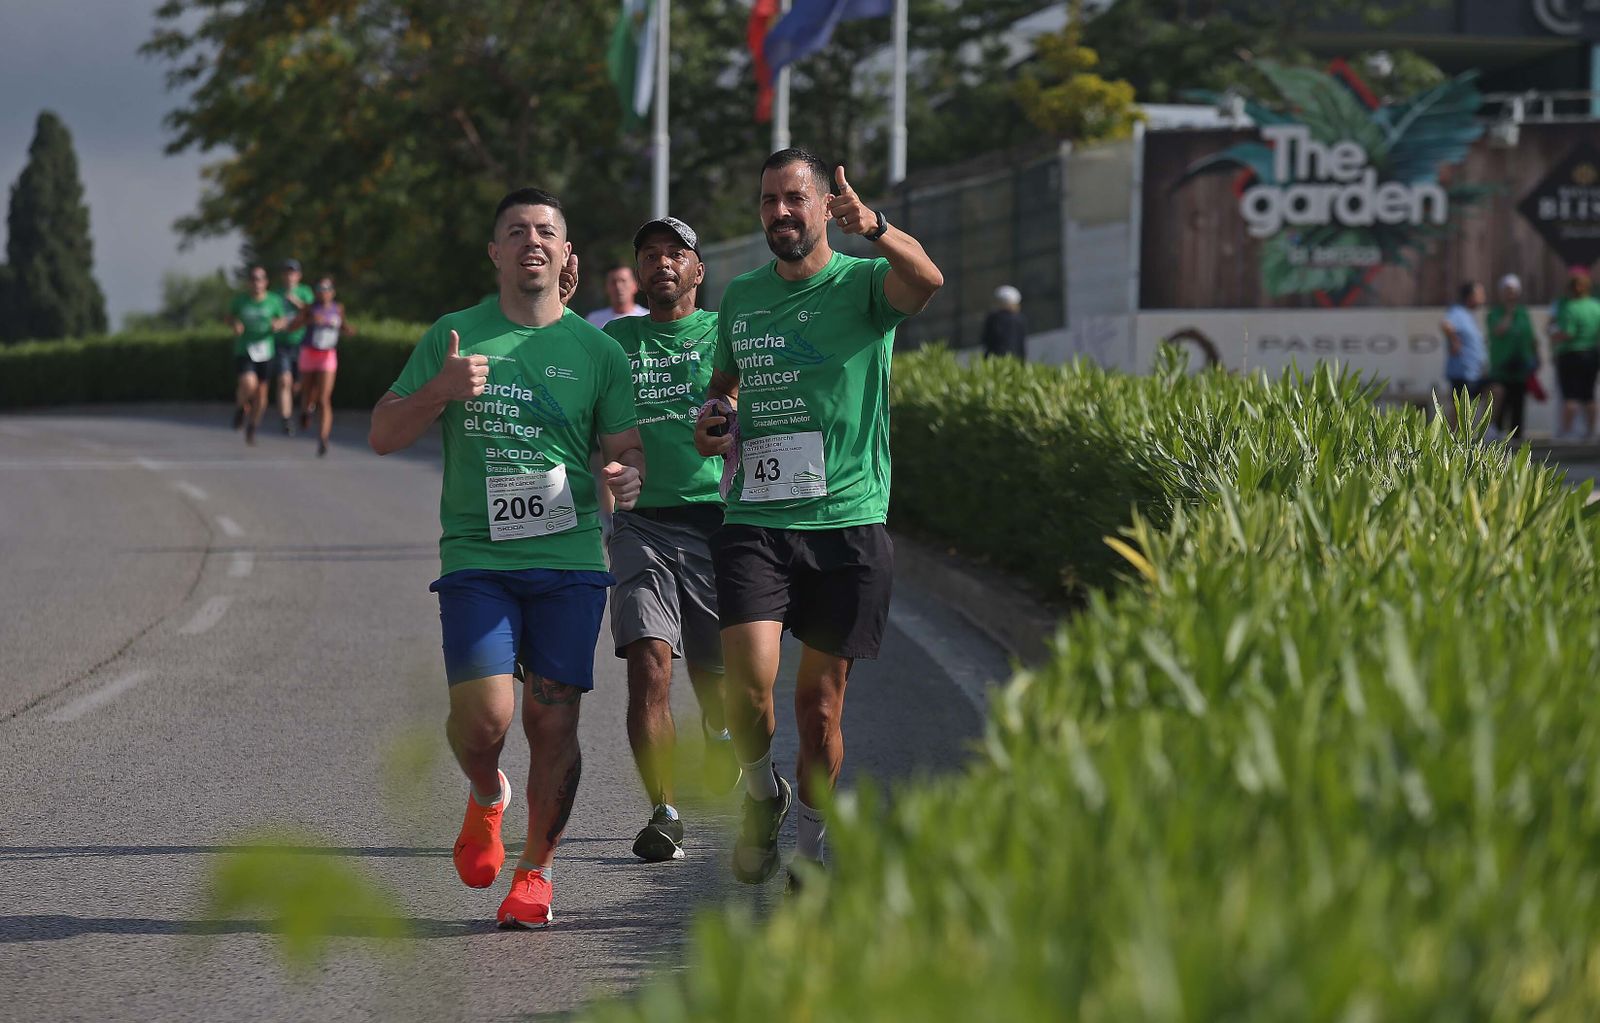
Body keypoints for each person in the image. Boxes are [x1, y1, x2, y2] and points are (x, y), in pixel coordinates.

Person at [368, 187, 644, 929]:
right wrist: (440, 390)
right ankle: (487, 792)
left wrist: (627, 473)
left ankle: (536, 872)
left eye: (546, 231)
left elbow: (625, 449)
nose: (532, 240)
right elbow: (384, 432)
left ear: (566, 255)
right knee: (484, 718)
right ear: (494, 252)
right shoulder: (454, 336)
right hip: (478, 556)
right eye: (516, 230)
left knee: (553, 720)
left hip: (570, 558)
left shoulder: (598, 350)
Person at [694, 148, 943, 889]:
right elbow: (723, 386)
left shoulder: (864, 284)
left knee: (820, 709)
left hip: (846, 522)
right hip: (756, 517)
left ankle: (808, 845)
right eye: (768, 200)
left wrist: (877, 225)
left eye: (793, 199)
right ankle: (762, 796)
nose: (779, 213)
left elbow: (926, 280)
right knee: (747, 687)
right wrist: (715, 417)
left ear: (820, 206)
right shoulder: (740, 297)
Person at [602, 216, 738, 863]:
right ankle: (665, 811)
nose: (661, 263)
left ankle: (719, 728)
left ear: (697, 270)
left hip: (715, 523)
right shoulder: (617, 339)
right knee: (650, 663)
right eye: (649, 254)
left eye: (674, 253)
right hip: (639, 525)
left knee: (716, 676)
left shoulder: (723, 336)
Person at [227, 265, 292, 446]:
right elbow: (229, 316)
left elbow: (283, 319)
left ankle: (253, 426)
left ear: (266, 282)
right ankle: (241, 409)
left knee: (262, 394)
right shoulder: (241, 300)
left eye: (260, 279)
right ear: (249, 282)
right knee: (249, 383)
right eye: (253, 279)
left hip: (265, 351)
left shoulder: (273, 300)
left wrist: (278, 324)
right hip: (245, 349)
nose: (257, 283)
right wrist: (235, 323)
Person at [298, 276, 354, 457]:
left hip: (327, 356)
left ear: (332, 292)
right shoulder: (310, 309)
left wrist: (348, 330)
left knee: (324, 398)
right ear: (316, 292)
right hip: (309, 353)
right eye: (320, 288)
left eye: (327, 288)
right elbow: (293, 326)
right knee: (308, 394)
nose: (323, 292)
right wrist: (309, 320)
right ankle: (306, 411)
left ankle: (323, 438)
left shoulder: (338, 309)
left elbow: (344, 326)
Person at [1485, 274, 1537, 440]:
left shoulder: (1523, 313)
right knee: (1501, 399)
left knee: (1518, 402)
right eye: (1507, 291)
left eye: (1513, 291)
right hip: (1501, 366)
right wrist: (1508, 313)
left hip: (1520, 367)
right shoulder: (1495, 313)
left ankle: (1517, 435)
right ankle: (1497, 431)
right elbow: (1499, 331)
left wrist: (1536, 357)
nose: (1511, 294)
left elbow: (1531, 337)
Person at [1551, 268, 1600, 440]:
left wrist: (1554, 335)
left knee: (1570, 395)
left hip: (1570, 354)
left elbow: (1568, 333)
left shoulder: (1570, 307)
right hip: (1592, 354)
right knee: (1589, 395)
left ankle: (1567, 432)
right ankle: (1591, 431)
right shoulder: (1596, 306)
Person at [1439, 280, 1487, 429]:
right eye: (1480, 294)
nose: (1483, 298)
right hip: (1462, 371)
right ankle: (1452, 440)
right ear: (1471, 296)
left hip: (1474, 373)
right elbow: (1446, 324)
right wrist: (1454, 341)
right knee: (1460, 408)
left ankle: (1488, 429)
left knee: (1496, 390)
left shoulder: (1468, 315)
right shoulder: (1457, 312)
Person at [275, 259, 314, 434]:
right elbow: (272, 316)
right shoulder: (275, 295)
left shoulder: (305, 292)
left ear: (298, 276)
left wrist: (296, 302)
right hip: (282, 343)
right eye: (287, 273)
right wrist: (277, 323)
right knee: (284, 380)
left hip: (302, 344)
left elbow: (313, 314)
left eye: (293, 273)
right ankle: (286, 420)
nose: (290, 276)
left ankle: (303, 408)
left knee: (297, 385)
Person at [584, 264, 648, 328]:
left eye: (623, 281)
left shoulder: (647, 318)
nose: (618, 286)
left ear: (635, 286)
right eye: (613, 282)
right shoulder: (594, 320)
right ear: (606, 287)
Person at [980, 285, 1027, 359]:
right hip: (1015, 359)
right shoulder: (1019, 319)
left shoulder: (993, 318)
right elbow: (1021, 345)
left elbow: (986, 340)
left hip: (994, 359)